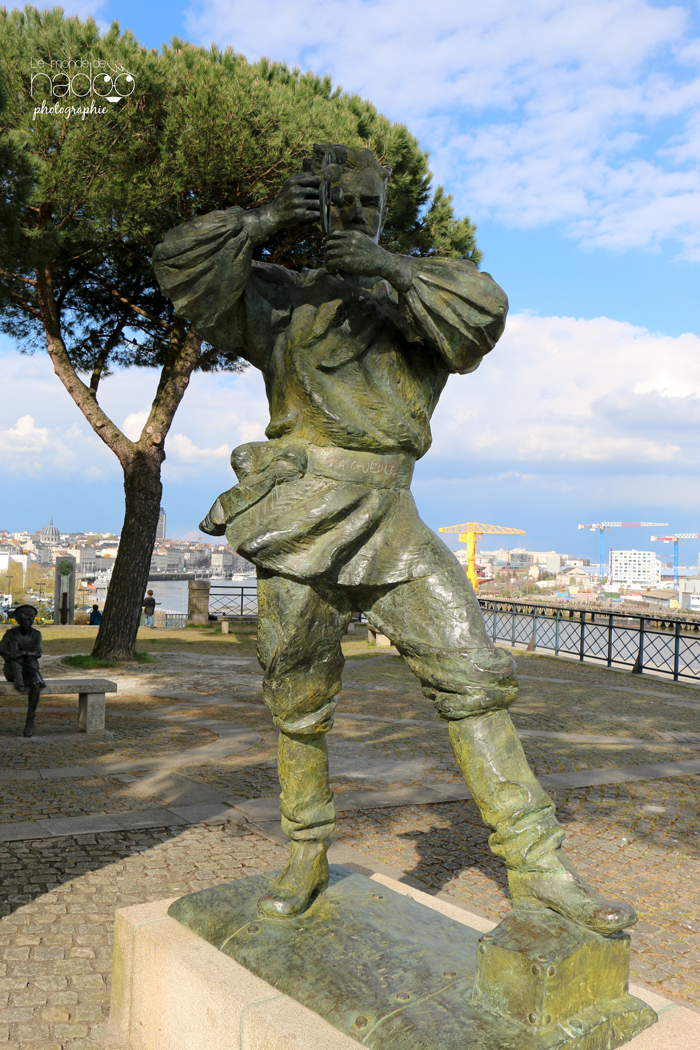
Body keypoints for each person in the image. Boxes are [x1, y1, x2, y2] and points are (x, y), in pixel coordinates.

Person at [152, 144, 636, 935]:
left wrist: (388, 268)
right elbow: (180, 270)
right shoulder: (277, 299)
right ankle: (306, 849)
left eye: (360, 203)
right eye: (329, 203)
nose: (345, 216)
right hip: (296, 511)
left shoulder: (420, 290)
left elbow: (481, 317)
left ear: (383, 208)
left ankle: (540, 869)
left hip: (392, 515)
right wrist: (268, 218)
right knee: (297, 692)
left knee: (470, 671)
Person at [0, 604, 45, 737]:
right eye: (24, 619)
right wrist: (12, 654)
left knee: (35, 683)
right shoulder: (10, 633)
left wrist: (23, 653)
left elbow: (37, 652)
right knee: (14, 655)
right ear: (19, 620)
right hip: (12, 671)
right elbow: (1, 648)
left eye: (30, 619)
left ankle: (30, 720)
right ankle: (18, 680)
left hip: (29, 670)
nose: (27, 622)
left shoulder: (36, 634)